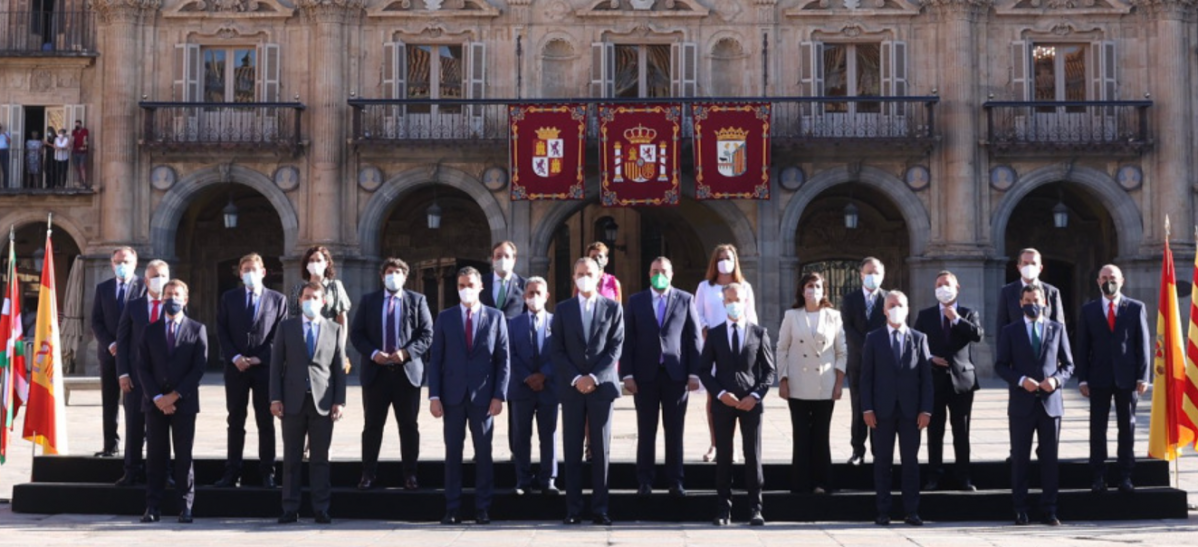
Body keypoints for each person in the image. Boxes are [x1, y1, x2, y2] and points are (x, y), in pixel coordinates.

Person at [428, 267, 510, 525]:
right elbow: (436, 359)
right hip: (452, 397)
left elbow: (503, 359)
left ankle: (482, 507)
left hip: (483, 397)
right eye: (462, 284)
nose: (466, 289)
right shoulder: (445, 317)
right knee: (453, 453)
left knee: (483, 453)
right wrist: (434, 396)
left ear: (480, 286)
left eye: (470, 284)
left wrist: (499, 395)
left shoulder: (496, 317)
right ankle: (452, 508)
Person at [550, 257, 624, 526]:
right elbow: (556, 349)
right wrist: (576, 378)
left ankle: (600, 508)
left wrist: (593, 376)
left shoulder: (613, 308)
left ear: (598, 275)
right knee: (572, 449)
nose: (584, 277)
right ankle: (573, 509)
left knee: (601, 450)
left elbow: (615, 347)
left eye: (589, 273)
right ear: (573, 276)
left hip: (601, 387)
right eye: (579, 273)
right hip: (572, 389)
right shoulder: (563, 309)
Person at [351, 257, 434, 491]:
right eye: (389, 271)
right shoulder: (369, 301)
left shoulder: (417, 301)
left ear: (405, 276)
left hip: (406, 374)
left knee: (408, 426)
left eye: (398, 272)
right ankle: (368, 474)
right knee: (372, 426)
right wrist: (373, 352)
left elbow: (427, 335)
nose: (393, 275)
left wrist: (406, 353)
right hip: (376, 373)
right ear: (382, 275)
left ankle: (410, 474)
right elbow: (357, 334)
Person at [995, 284, 1074, 526]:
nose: (1032, 303)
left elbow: (1068, 365)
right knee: (1020, 458)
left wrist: (1056, 380)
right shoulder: (1010, 330)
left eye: (1036, 299)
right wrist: (1020, 380)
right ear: (1020, 303)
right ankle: (1020, 508)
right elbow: (1000, 365)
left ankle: (1049, 508)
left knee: (1049, 459)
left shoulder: (1057, 329)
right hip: (1022, 403)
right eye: (1027, 299)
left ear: (1045, 302)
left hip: (1050, 404)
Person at [622, 257, 702, 497]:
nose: (659, 275)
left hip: (675, 376)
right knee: (646, 431)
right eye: (655, 271)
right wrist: (626, 374)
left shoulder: (685, 299)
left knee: (674, 431)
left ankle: (675, 480)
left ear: (671, 274)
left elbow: (694, 338)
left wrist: (694, 372)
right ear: (649, 274)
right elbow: (628, 340)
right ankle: (644, 480)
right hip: (644, 376)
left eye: (663, 271)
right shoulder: (636, 301)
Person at [270, 282, 346, 525]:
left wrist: (339, 401)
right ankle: (290, 508)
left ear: (323, 301)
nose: (310, 301)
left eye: (315, 297)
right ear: (300, 300)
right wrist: (275, 397)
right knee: (291, 458)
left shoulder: (334, 329)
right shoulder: (286, 327)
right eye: (306, 297)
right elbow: (276, 366)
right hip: (292, 401)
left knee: (320, 458)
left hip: (322, 402)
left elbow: (339, 370)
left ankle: (321, 507)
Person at [699, 283, 774, 527]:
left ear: (745, 301)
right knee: (725, 456)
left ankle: (755, 507)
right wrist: (720, 393)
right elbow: (704, 370)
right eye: (729, 300)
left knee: (752, 454)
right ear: (723, 303)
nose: (733, 304)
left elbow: (768, 371)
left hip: (750, 403)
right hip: (724, 402)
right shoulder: (716, 333)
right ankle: (723, 508)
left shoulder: (759, 333)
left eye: (737, 299)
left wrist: (756, 396)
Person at [135, 280, 207, 524]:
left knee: (183, 456)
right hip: (154, 404)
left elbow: (198, 369)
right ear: (162, 297)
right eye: (168, 294)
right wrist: (157, 398)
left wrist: (174, 395)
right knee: (156, 455)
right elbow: (143, 367)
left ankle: (185, 506)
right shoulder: (150, 330)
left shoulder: (197, 329)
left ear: (185, 299)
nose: (172, 298)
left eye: (177, 294)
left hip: (183, 403)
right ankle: (152, 506)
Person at [215, 253, 288, 489]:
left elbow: (280, 333)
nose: (249, 273)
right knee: (235, 420)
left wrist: (260, 357)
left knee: (265, 421)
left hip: (264, 368)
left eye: (253, 269)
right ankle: (232, 471)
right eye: (245, 269)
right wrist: (235, 357)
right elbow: (222, 330)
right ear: (239, 273)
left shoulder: (278, 300)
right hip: (236, 368)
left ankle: (267, 472)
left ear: (263, 272)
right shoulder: (229, 298)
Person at [1075, 264, 1149, 494]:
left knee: (1127, 428)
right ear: (1098, 281)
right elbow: (1082, 347)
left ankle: (1125, 475)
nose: (1109, 281)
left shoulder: (1136, 308)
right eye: (1104, 277)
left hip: (1127, 379)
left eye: (1113, 277)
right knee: (1098, 429)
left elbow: (1143, 344)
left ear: (1122, 280)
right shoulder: (1089, 310)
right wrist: (1082, 379)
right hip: (1098, 378)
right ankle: (1098, 475)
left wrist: (1143, 376)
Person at [861, 291, 933, 526]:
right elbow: (866, 377)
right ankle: (883, 510)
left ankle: (911, 511)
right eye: (891, 305)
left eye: (900, 305)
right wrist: (867, 408)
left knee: (910, 462)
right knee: (882, 462)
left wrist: (926, 410)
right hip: (881, 411)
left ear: (907, 308)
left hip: (911, 412)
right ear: (884, 310)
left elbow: (926, 378)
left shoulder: (919, 338)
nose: (895, 308)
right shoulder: (873, 338)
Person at [777, 272, 846, 494]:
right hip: (798, 383)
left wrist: (838, 383)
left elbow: (841, 351)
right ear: (801, 289)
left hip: (824, 384)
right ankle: (800, 483)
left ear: (824, 290)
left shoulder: (833, 316)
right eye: (809, 285)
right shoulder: (791, 315)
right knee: (800, 434)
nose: (813, 290)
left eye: (817, 286)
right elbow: (782, 348)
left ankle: (822, 482)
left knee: (820, 434)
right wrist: (783, 379)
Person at [913, 271, 982, 492]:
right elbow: (915, 344)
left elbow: (977, 335)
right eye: (939, 285)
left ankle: (964, 476)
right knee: (935, 431)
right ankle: (934, 475)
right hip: (934, 380)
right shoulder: (925, 315)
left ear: (957, 288)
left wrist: (957, 320)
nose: (943, 288)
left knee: (961, 431)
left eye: (947, 284)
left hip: (962, 381)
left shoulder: (967, 313)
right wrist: (930, 358)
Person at [694, 243, 758, 462]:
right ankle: (716, 444)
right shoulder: (705, 287)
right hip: (713, 347)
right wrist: (705, 332)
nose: (724, 262)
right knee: (715, 396)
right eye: (720, 258)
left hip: (739, 347)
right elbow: (697, 314)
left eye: (728, 257)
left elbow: (752, 318)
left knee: (740, 394)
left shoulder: (745, 287)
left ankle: (735, 446)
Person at [114, 259, 170, 486]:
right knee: (134, 426)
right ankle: (132, 469)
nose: (160, 280)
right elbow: (123, 339)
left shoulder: (173, 305)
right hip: (136, 379)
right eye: (155, 276)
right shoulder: (134, 305)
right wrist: (123, 373)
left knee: (162, 430)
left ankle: (163, 472)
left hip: (165, 380)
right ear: (146, 280)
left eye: (164, 276)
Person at [507, 277, 560, 496]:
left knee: (548, 434)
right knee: (521, 435)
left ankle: (548, 478)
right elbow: (510, 354)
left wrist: (544, 375)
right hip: (522, 387)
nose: (534, 297)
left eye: (538, 293)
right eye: (530, 293)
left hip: (548, 387)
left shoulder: (556, 322)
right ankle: (523, 479)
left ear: (546, 296)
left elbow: (559, 353)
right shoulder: (513, 323)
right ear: (524, 296)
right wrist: (528, 377)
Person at [90, 247, 144, 458]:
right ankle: (110, 444)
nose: (122, 265)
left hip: (136, 355)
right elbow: (96, 320)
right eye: (118, 261)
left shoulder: (144, 287)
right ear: (112, 264)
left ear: (135, 263)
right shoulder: (103, 288)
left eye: (126, 261)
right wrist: (110, 344)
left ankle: (138, 441)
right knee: (110, 400)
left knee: (138, 400)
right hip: (110, 353)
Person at [840, 257, 888, 465]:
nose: (872, 277)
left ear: (883, 275)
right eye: (869, 272)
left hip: (882, 364)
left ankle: (879, 451)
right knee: (859, 405)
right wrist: (867, 346)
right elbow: (847, 328)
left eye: (876, 272)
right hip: (858, 362)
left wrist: (876, 348)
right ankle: (857, 450)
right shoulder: (850, 299)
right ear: (861, 275)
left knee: (879, 406)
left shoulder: (888, 299)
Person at [287, 246, 352, 373]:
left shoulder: (335, 286)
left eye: (318, 260)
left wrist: (341, 347)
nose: (314, 263)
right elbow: (293, 317)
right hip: (304, 341)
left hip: (329, 340)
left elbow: (342, 318)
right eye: (311, 260)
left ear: (326, 263)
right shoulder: (297, 289)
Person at [997, 248, 1066, 328]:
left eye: (1033, 263)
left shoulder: (1052, 292)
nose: (1029, 267)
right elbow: (1002, 325)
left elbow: (1059, 327)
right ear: (1019, 267)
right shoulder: (1007, 292)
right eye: (1025, 263)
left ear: (1040, 268)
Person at [481, 240, 527, 320]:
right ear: (493, 259)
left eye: (507, 256)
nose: (503, 260)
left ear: (514, 260)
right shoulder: (481, 282)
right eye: (498, 256)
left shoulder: (524, 284)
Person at [71, 119, 88, 187]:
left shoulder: (85, 131)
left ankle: (84, 181)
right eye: (76, 124)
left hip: (82, 152)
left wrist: (84, 146)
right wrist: (70, 144)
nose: (76, 126)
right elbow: (72, 139)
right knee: (76, 167)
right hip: (75, 151)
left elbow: (85, 139)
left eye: (78, 124)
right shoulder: (74, 132)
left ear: (80, 124)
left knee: (82, 166)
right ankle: (78, 182)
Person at [0, 124, 10, 188]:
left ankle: (5, 186)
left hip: (4, 151)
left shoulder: (6, 133)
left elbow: (9, 141)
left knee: (5, 169)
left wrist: (4, 134)